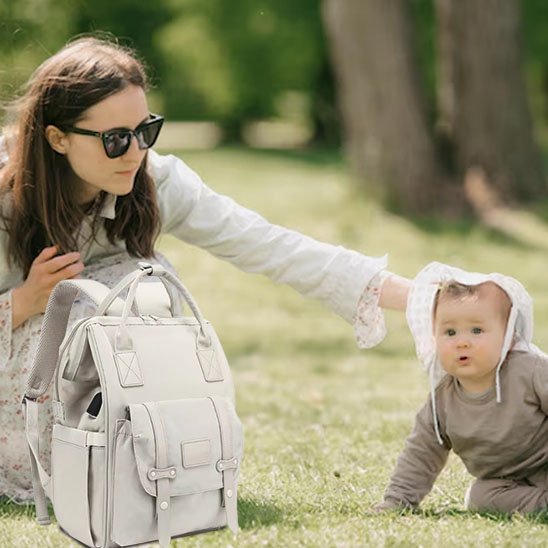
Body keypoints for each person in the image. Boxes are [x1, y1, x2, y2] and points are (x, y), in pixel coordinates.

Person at [0, 36, 410, 503]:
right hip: (16, 370)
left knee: (146, 284)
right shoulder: (6, 200)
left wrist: (421, 299)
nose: (135, 152)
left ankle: (139, 463)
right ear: (58, 138)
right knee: (77, 309)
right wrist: (22, 302)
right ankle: (57, 468)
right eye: (115, 140)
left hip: (90, 372)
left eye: (144, 131)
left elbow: (267, 244)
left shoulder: (152, 182)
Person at [377, 262, 548, 514]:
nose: (462, 342)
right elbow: (421, 454)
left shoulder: (531, 371)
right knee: (479, 497)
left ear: (508, 337)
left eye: (477, 330)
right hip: (505, 483)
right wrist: (397, 501)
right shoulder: (442, 401)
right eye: (450, 332)